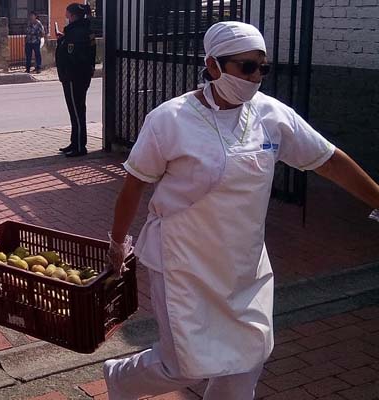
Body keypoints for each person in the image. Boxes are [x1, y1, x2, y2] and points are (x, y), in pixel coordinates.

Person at [102, 21, 379, 399]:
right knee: (185, 364)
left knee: (248, 356)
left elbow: (328, 160)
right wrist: (118, 242)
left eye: (262, 68)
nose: (255, 78)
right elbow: (134, 184)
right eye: (246, 67)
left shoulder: (271, 115)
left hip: (244, 266)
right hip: (183, 262)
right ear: (213, 66)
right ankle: (121, 378)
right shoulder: (169, 119)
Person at [55, 3, 95, 157]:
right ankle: (75, 142)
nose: (66, 18)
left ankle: (79, 147)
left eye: (67, 15)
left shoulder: (76, 32)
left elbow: (73, 55)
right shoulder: (83, 30)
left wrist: (64, 42)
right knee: (76, 111)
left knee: (77, 111)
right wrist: (63, 40)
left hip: (74, 77)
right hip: (79, 76)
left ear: (72, 15)